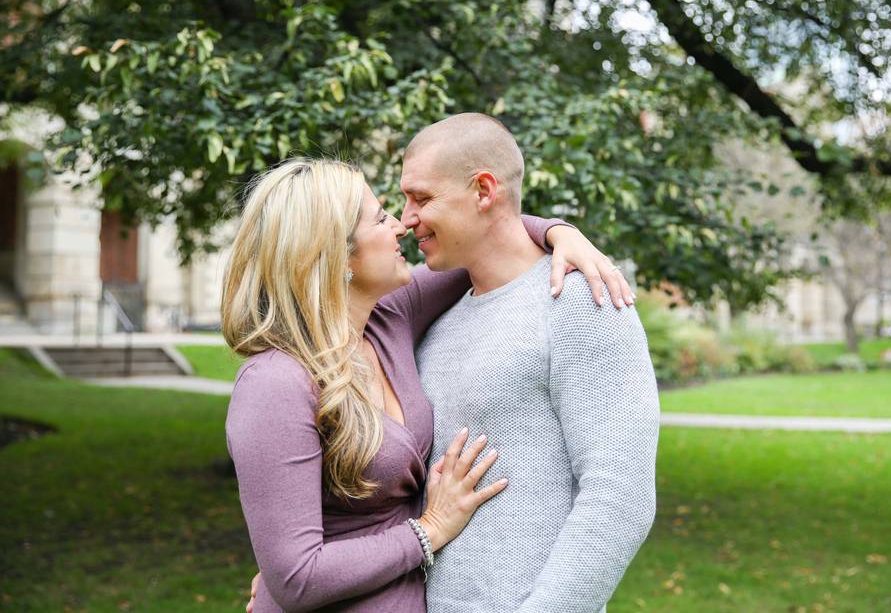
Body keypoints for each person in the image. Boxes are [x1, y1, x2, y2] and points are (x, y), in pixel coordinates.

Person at [223, 158, 629, 612]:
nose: (399, 225)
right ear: (333, 253)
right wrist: (430, 529)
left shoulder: (389, 318)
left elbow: (492, 237)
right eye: (380, 217)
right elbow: (298, 578)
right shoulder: (276, 383)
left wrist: (561, 233)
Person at [401, 113, 660, 612]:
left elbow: (619, 497)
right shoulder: (435, 318)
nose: (406, 217)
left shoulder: (582, 301)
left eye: (422, 198)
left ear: (483, 190)